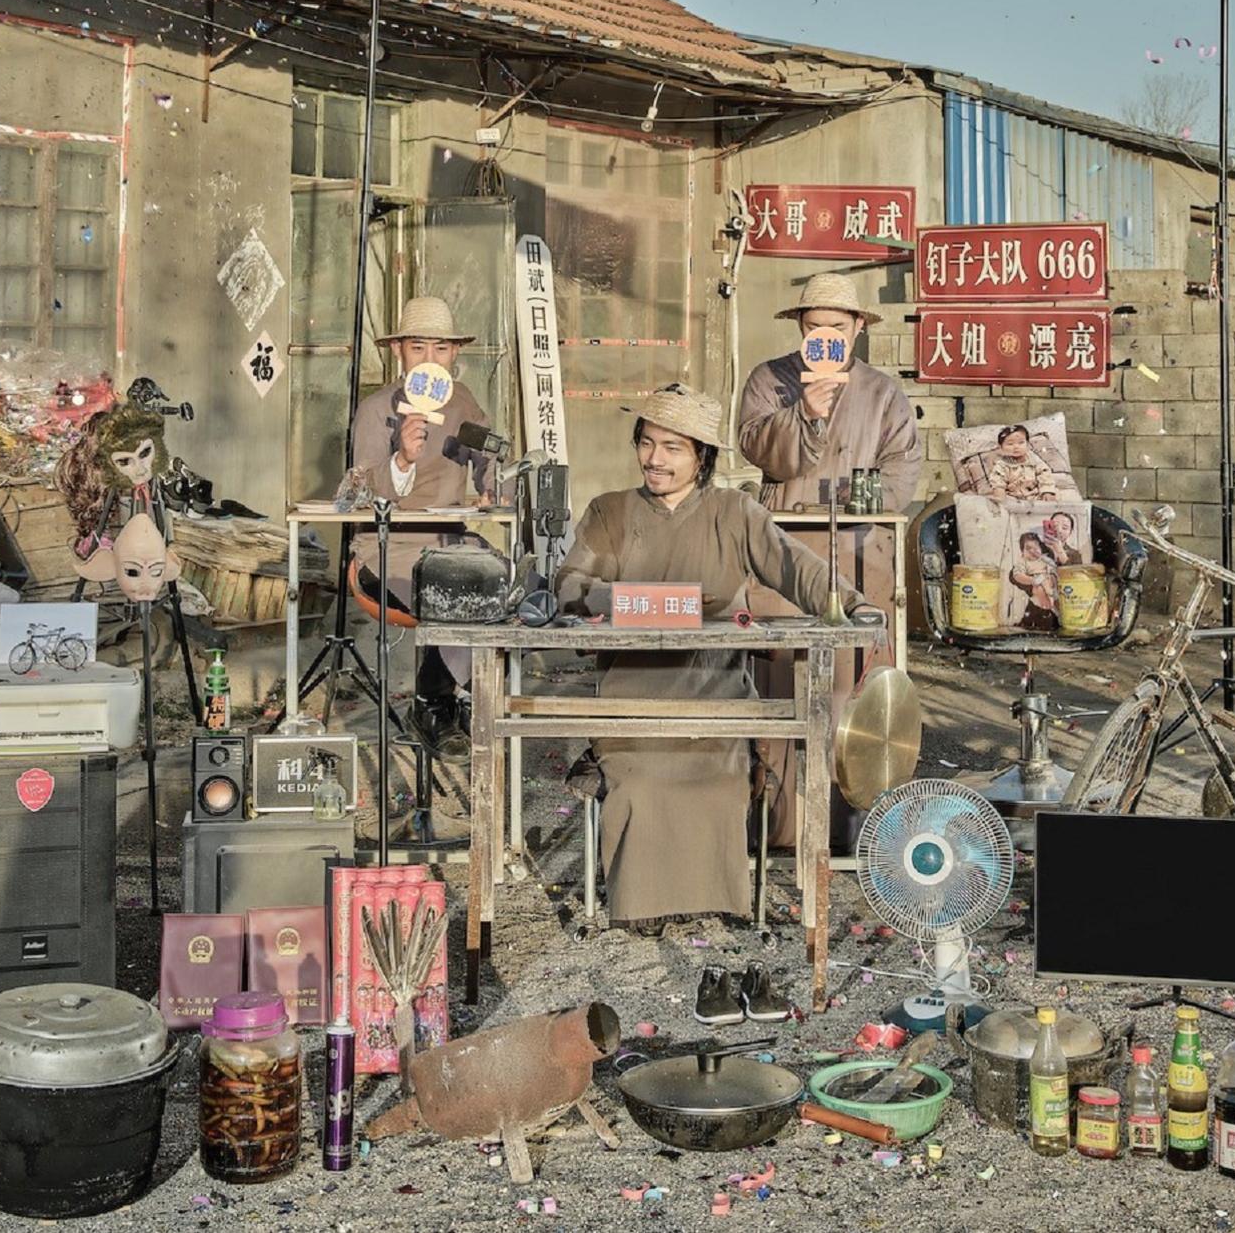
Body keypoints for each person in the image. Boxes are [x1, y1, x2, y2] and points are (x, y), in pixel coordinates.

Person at [555, 383, 881, 929]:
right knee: (642, 783)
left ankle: (714, 897)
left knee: (717, 782)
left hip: (716, 699)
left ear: (701, 458)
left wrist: (854, 603)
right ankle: (640, 904)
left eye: (673, 448)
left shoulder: (735, 513)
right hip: (631, 704)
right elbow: (568, 583)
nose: (655, 460)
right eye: (647, 444)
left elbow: (793, 565)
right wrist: (618, 600)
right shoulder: (609, 512)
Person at [738, 272, 922, 847]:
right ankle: (778, 833)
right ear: (800, 327)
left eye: (837, 327)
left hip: (859, 556)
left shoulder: (884, 392)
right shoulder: (770, 380)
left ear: (859, 328)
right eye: (814, 326)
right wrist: (806, 416)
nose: (825, 336)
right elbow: (753, 444)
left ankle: (851, 832)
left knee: (853, 695)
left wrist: (861, 502)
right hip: (784, 553)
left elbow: (902, 470)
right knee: (779, 685)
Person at [340, 295, 496, 754]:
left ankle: (460, 699)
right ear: (398, 352)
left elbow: (487, 456)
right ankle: (433, 703)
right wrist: (402, 458)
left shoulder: (463, 402)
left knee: (505, 586)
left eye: (441, 350)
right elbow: (359, 490)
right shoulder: (375, 410)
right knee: (454, 592)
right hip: (387, 547)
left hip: (452, 540)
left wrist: (494, 486)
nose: (431, 360)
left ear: (455, 355)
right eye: (419, 348)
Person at [986, 423, 1059, 502]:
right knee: (1000, 503)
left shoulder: (1034, 460)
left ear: (1027, 444)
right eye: (1010, 444)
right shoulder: (1002, 465)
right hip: (1013, 495)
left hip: (1034, 493)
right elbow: (998, 481)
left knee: (1054, 496)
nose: (1016, 447)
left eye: (1021, 443)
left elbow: (1044, 473)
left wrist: (1046, 491)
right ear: (1001, 447)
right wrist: (1000, 494)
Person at [1010, 530, 1060, 633]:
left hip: (1050, 586)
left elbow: (1055, 568)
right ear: (1022, 552)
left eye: (1036, 547)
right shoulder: (1023, 562)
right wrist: (1033, 580)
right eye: (1028, 548)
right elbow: (1016, 576)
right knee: (1040, 588)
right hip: (1037, 590)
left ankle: (1053, 606)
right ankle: (1047, 607)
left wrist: (1052, 577)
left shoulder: (1044, 559)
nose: (1033, 551)